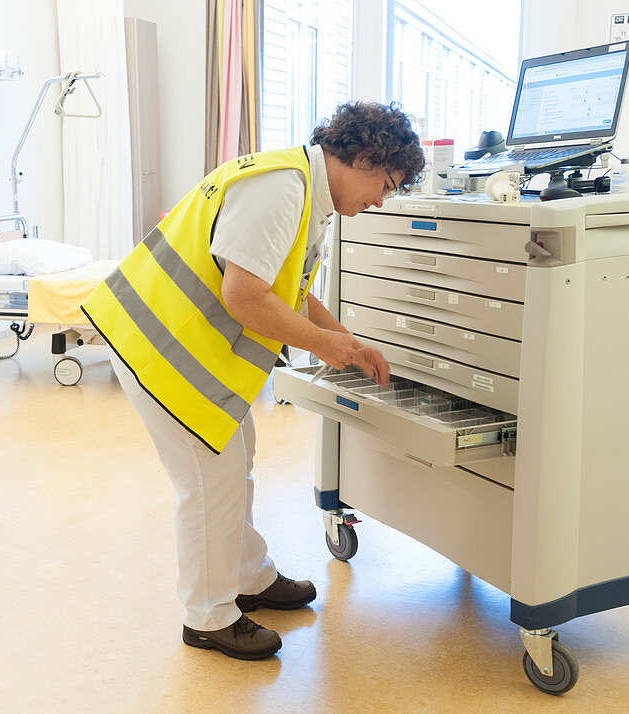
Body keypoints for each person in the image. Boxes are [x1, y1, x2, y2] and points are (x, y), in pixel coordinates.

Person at [81, 101, 425, 660]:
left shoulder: (301, 188)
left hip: (187, 347)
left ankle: (248, 576)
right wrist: (330, 347)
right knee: (208, 482)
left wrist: (348, 339)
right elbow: (244, 296)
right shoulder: (281, 190)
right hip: (160, 346)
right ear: (361, 157)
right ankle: (209, 615)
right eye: (385, 183)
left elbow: (285, 287)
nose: (381, 200)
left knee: (236, 461)